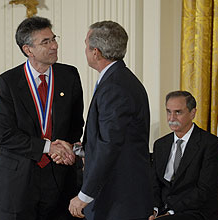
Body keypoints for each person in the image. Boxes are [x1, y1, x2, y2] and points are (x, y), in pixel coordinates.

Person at [0, 16, 84, 220]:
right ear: (28, 50)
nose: (54, 45)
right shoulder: (8, 82)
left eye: (53, 39)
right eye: (46, 42)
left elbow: (76, 124)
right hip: (18, 182)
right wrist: (47, 147)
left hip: (59, 177)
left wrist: (64, 148)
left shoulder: (69, 76)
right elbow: (4, 134)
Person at [67, 21, 153, 220]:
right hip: (121, 196)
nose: (85, 50)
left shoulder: (115, 86)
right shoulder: (120, 78)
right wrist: (77, 149)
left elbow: (110, 145)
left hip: (118, 198)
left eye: (85, 44)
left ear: (95, 52)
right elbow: (114, 137)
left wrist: (84, 195)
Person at [149, 91, 218, 220]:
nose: (171, 118)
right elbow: (154, 184)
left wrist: (171, 211)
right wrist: (155, 210)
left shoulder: (210, 144)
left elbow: (205, 190)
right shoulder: (160, 144)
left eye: (178, 112)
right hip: (162, 210)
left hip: (195, 211)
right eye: (168, 111)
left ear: (192, 113)